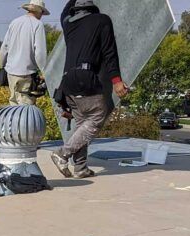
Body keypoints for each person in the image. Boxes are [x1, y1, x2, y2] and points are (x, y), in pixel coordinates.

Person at [50, 0, 130, 179]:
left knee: (82, 125)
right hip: (86, 79)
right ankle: (62, 154)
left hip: (67, 82)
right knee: (96, 116)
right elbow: (110, 52)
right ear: (92, 8)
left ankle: (80, 168)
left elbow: (64, 14)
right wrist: (116, 80)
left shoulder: (69, 25)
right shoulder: (102, 20)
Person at [0, 2, 50, 106]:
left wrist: (2, 66)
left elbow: (4, 48)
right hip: (26, 73)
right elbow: (40, 52)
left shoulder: (14, 22)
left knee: (13, 105)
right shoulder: (38, 24)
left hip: (11, 72)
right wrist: (44, 71)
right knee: (26, 108)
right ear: (39, 11)